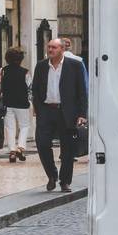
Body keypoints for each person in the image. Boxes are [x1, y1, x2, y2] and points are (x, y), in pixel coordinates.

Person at [32, 36, 88, 193]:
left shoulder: (75, 65)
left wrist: (82, 113)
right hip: (47, 111)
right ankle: (52, 175)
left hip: (67, 112)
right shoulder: (41, 66)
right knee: (42, 144)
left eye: (54, 47)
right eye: (49, 47)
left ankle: (65, 181)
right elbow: (35, 89)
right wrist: (38, 107)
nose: (50, 50)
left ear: (62, 49)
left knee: (68, 149)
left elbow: (82, 92)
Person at [0, 47, 31, 163]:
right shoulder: (25, 72)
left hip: (7, 103)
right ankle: (21, 148)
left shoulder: (3, 71)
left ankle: (12, 151)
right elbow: (29, 89)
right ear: (21, 59)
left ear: (7, 58)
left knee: (9, 127)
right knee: (24, 126)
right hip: (22, 103)